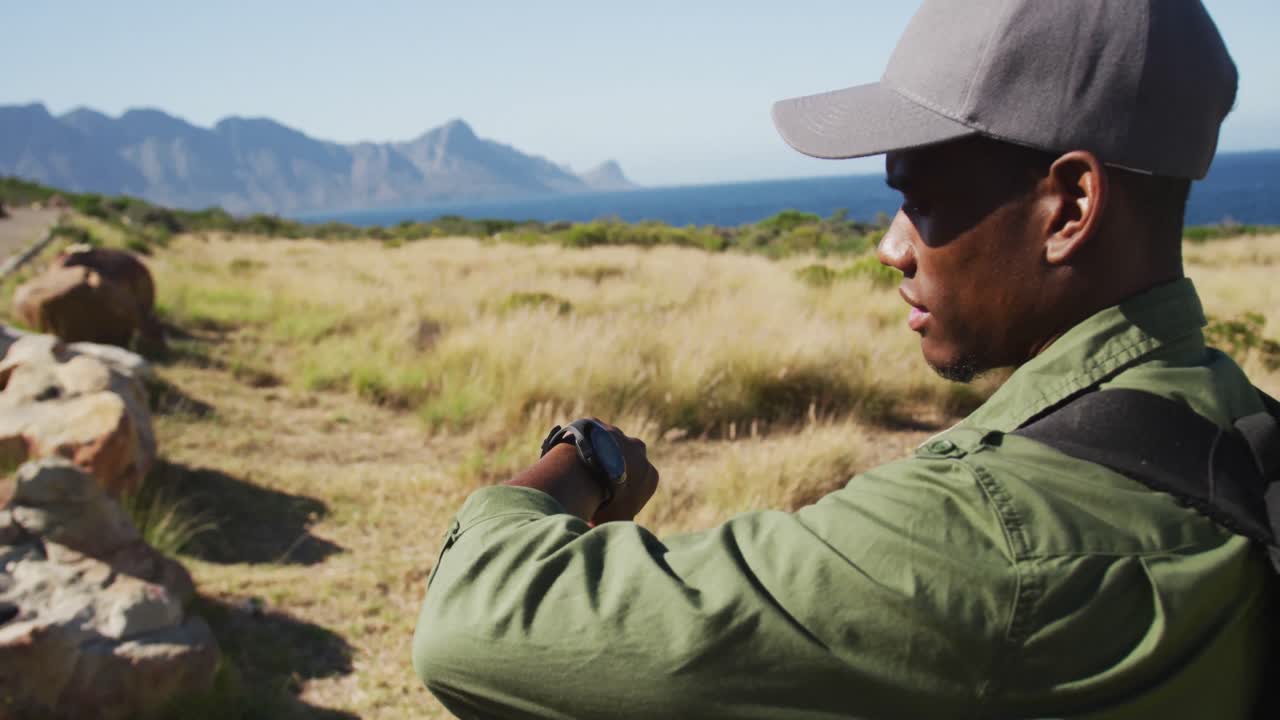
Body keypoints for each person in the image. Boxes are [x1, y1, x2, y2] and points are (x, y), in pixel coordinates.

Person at [413, 1, 1270, 717]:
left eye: (921, 201)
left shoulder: (990, 536)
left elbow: (473, 621)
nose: (892, 248)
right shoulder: (1240, 428)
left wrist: (585, 461)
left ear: (1070, 205)